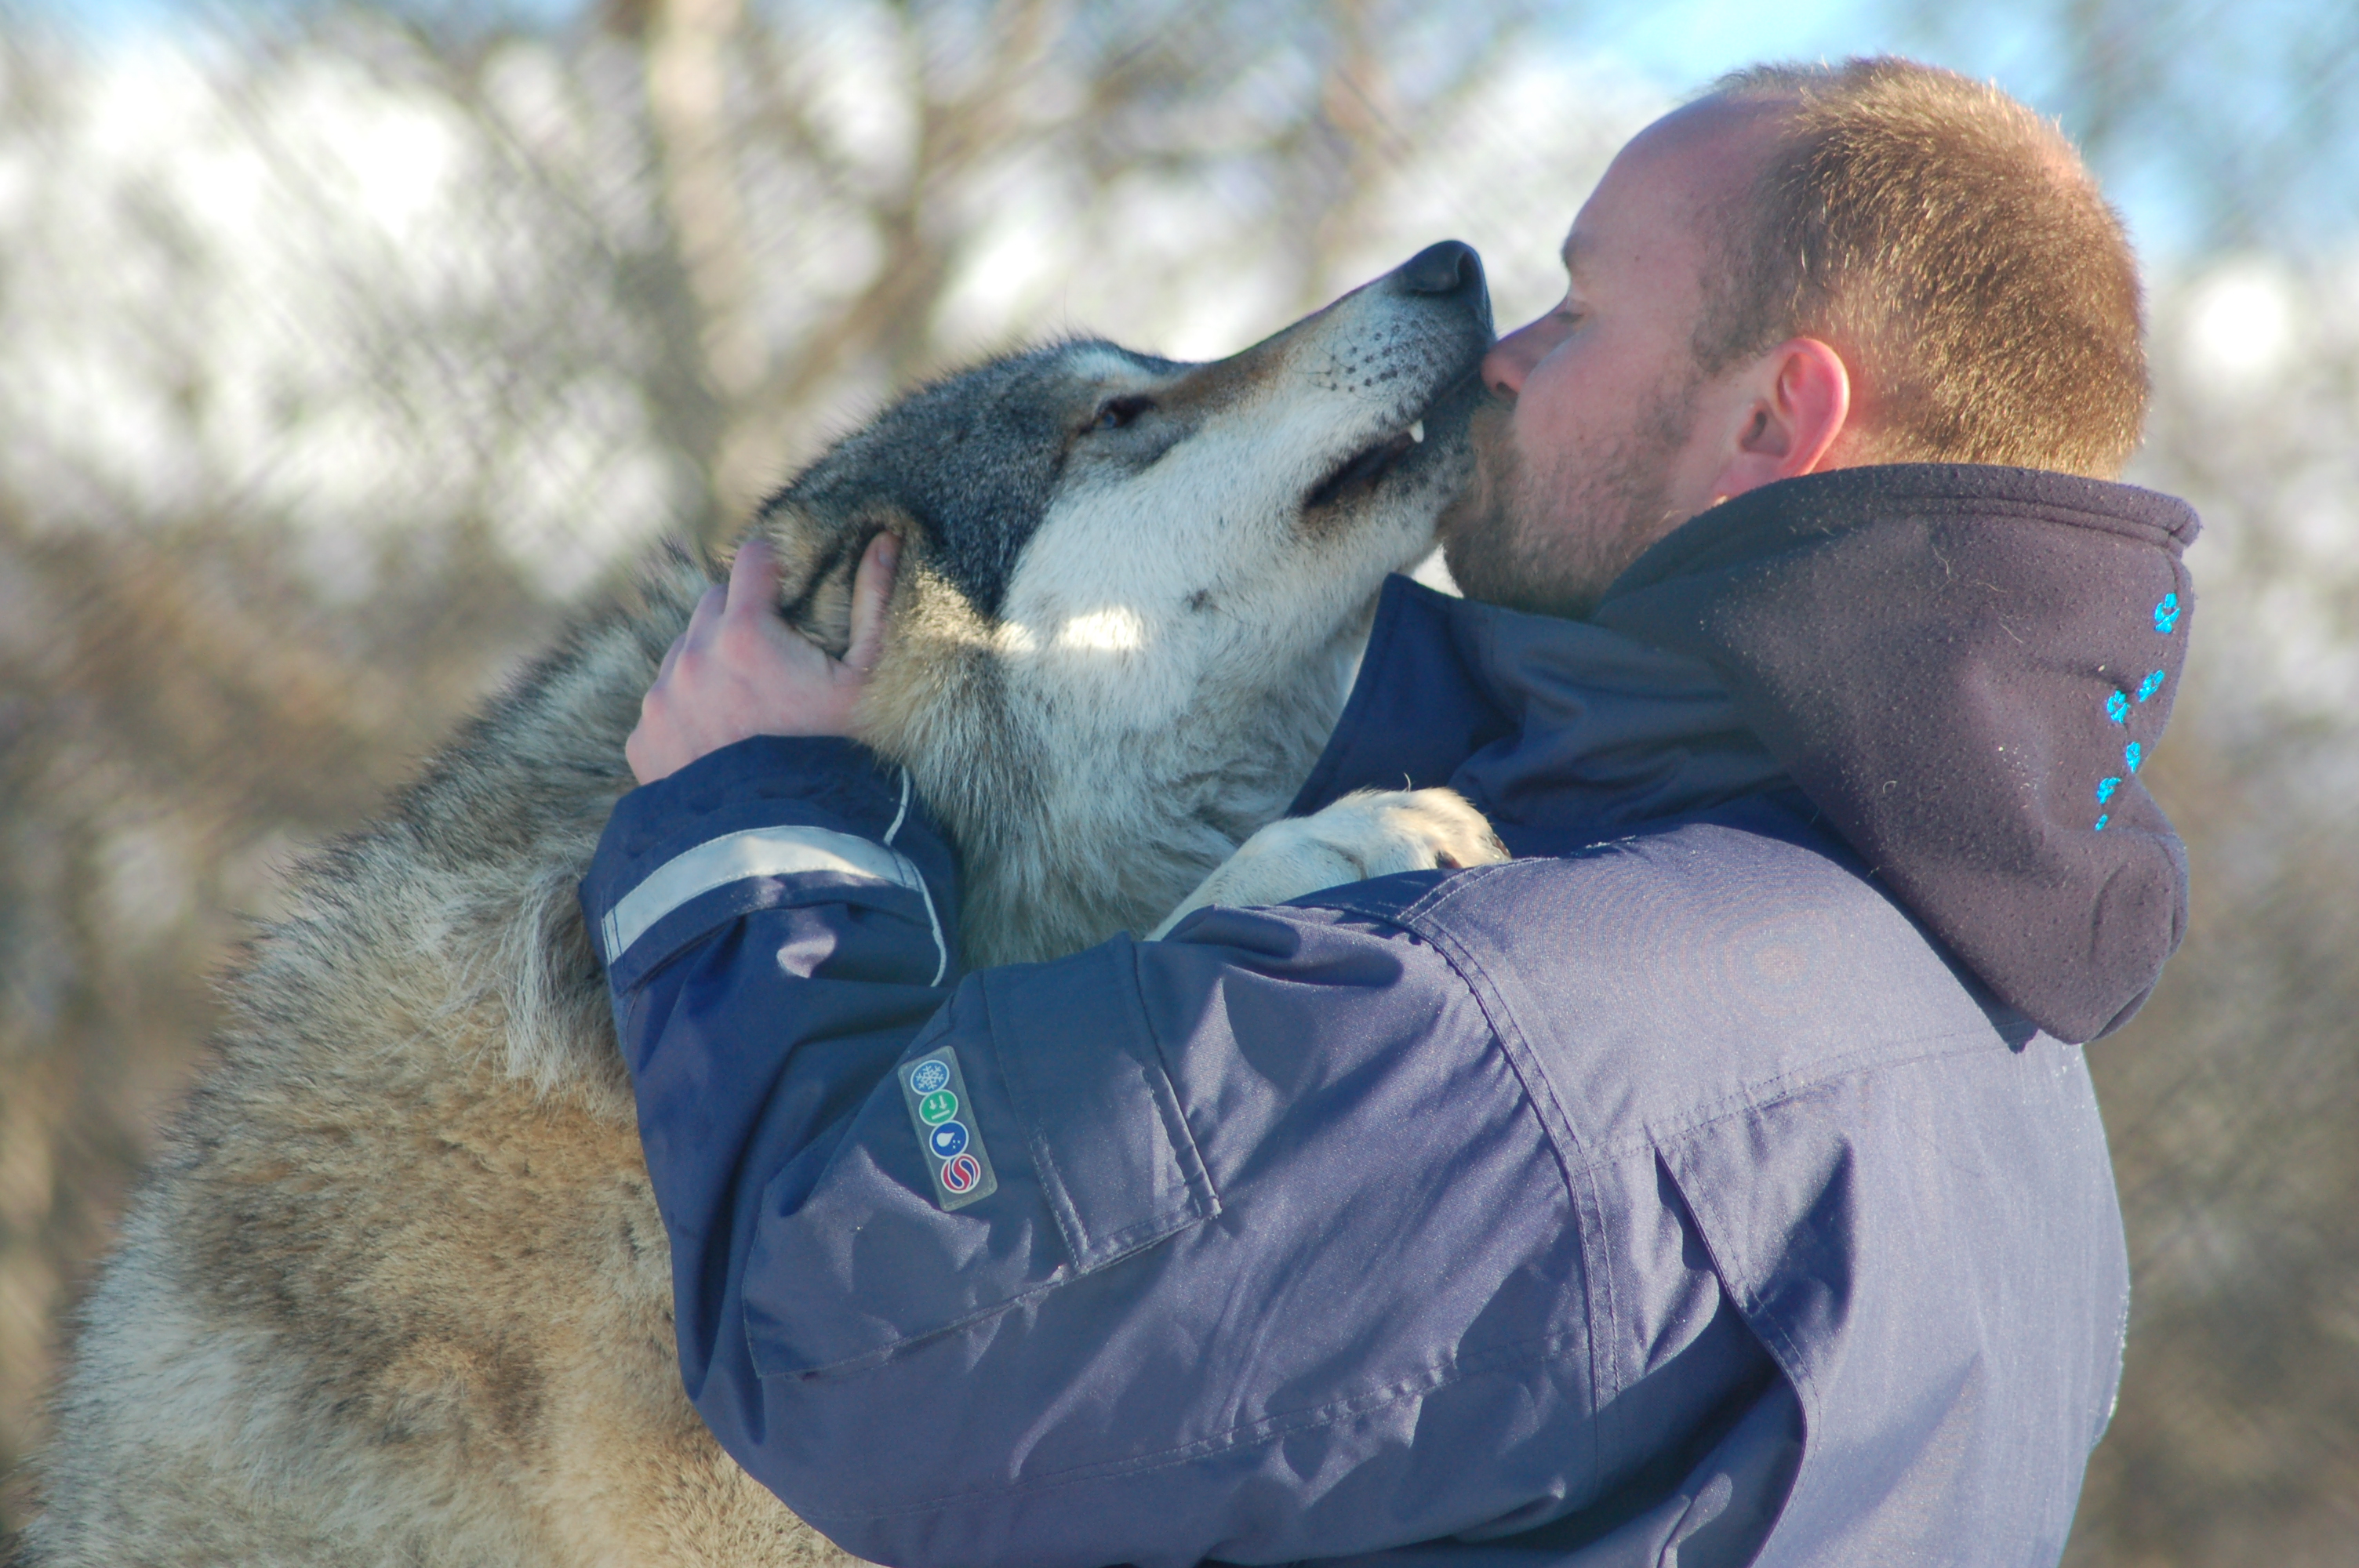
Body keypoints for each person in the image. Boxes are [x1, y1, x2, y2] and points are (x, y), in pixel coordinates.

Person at [584, 57, 2197, 1566]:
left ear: (1772, 419)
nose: (1504, 355)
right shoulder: (2011, 1082)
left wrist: (761, 839)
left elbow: (849, 1323)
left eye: (1581, 313)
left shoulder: (1510, 1030)